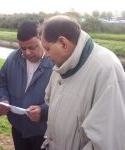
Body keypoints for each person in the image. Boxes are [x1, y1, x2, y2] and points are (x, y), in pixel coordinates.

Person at [41, 15, 125, 150]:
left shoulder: (106, 70)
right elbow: (50, 103)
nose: (45, 54)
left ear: (63, 43)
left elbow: (109, 140)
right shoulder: (61, 64)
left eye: (48, 48)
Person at [0, 21, 54, 150]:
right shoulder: (12, 58)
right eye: (22, 48)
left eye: (32, 47)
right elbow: (1, 83)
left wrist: (43, 111)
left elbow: (63, 99)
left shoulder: (55, 63)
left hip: (44, 132)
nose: (27, 53)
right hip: (18, 128)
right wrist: (2, 99)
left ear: (42, 40)